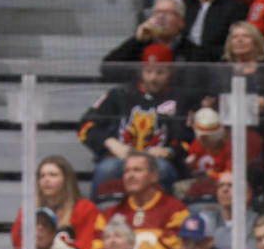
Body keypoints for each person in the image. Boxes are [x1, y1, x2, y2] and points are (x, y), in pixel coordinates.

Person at [80, 50, 188, 191]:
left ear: (171, 72)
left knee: (162, 169)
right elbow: (85, 126)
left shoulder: (181, 98)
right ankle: (98, 211)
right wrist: (111, 143)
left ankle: (163, 211)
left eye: (160, 73)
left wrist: (170, 151)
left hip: (157, 161)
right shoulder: (119, 94)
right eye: (148, 72)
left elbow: (189, 139)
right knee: (107, 169)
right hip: (121, 159)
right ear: (141, 70)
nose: (153, 78)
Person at [93, 154, 191, 249]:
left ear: (154, 176)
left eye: (137, 170)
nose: (130, 176)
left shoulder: (176, 210)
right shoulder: (108, 215)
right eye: (126, 171)